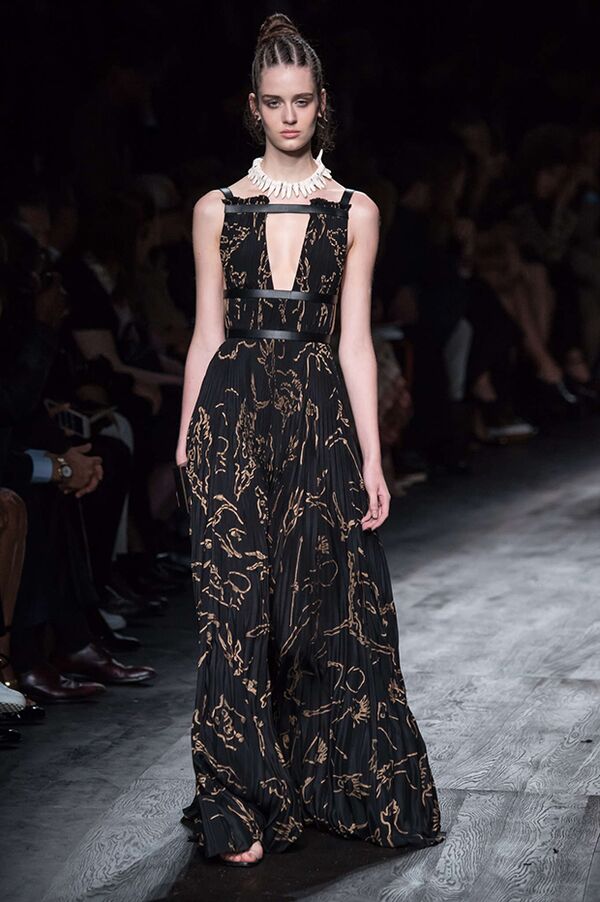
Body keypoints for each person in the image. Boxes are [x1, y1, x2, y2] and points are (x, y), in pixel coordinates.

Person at [175, 13, 445, 868]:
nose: (288, 116)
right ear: (253, 107)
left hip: (317, 416)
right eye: (274, 102)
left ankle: (318, 781)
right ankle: (233, 801)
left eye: (301, 101)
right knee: (233, 612)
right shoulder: (215, 210)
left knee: (317, 606)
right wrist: (185, 440)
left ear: (322, 103)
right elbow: (206, 333)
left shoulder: (354, 210)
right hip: (230, 415)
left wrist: (374, 454)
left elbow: (354, 341)